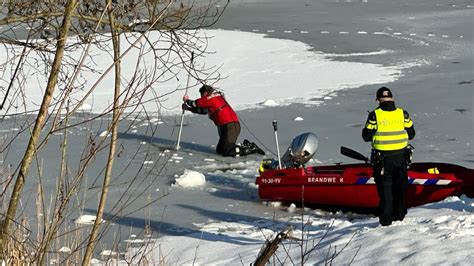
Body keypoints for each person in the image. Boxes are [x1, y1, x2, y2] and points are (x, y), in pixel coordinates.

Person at [362, 87, 415, 226]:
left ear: (378, 100)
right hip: (401, 158)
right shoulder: (403, 114)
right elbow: (412, 134)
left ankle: (386, 222)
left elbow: (366, 137)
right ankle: (400, 217)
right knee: (400, 188)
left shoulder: (375, 115)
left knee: (386, 191)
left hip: (383, 160)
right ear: (392, 98)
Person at [182, 85, 265, 157]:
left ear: (206, 93)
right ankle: (243, 146)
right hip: (224, 126)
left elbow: (197, 103)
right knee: (220, 150)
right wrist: (189, 109)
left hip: (230, 125)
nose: (201, 97)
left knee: (227, 151)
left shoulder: (212, 98)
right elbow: (203, 110)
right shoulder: (212, 100)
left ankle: (251, 148)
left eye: (202, 95)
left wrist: (187, 100)